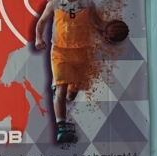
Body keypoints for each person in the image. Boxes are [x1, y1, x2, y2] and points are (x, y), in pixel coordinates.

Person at [34, 0, 107, 143]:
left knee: (71, 95)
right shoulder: (54, 3)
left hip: (82, 53)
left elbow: (98, 22)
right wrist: (38, 38)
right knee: (61, 89)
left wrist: (111, 27)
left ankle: (62, 93)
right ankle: (61, 128)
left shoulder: (88, 3)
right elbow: (42, 21)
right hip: (60, 52)